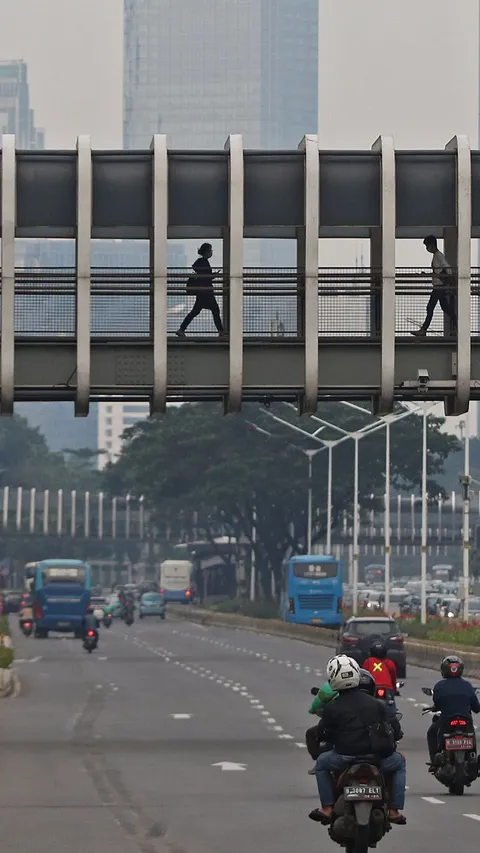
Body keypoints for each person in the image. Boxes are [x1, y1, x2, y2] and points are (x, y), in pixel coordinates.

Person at [310, 654, 406, 826]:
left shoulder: (333, 706)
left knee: (322, 764)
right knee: (400, 763)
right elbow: (392, 729)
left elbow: (325, 732)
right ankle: (394, 810)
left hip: (344, 758)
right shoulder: (378, 704)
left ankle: (327, 808)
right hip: (377, 758)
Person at [427, 655, 480, 765]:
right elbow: (476, 708)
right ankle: (473, 757)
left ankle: (434, 761)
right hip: (466, 720)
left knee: (432, 732)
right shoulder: (468, 686)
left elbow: (437, 705)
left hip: (446, 720)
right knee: (472, 734)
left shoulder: (439, 686)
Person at [176, 243, 225, 338]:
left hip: (202, 292)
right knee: (215, 310)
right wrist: (213, 276)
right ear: (206, 252)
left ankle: (181, 329)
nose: (211, 252)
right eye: (210, 250)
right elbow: (205, 277)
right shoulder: (203, 262)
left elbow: (203, 276)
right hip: (206, 292)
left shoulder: (201, 262)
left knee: (195, 311)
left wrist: (212, 276)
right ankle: (221, 332)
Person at [411, 235, 456, 337]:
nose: (427, 248)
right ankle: (458, 326)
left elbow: (446, 268)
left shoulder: (438, 255)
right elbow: (439, 271)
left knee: (430, 307)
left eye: (427, 246)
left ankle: (423, 330)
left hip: (439, 287)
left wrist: (446, 277)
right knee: (445, 308)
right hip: (438, 286)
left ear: (431, 245)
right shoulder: (437, 256)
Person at [306, 679, 339, 772]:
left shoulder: (334, 707)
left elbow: (322, 732)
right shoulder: (375, 704)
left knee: (321, 765)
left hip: (344, 753)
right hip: (369, 754)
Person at [363, 640, 398, 715]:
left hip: (372, 688)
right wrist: (394, 690)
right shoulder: (390, 663)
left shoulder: (368, 661)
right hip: (387, 688)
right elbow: (393, 679)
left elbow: (364, 676)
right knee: (392, 709)